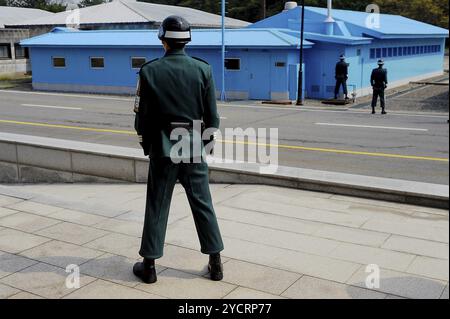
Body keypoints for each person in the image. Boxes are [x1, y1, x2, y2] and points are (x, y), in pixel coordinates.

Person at [132, 15, 224, 284]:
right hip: (193, 148)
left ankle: (149, 266)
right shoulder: (203, 70)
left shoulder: (149, 71)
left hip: (163, 150)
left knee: (157, 205)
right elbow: (213, 119)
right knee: (203, 205)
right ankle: (215, 263)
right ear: (187, 40)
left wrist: (149, 145)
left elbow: (142, 119)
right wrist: (203, 146)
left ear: (163, 40)